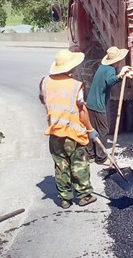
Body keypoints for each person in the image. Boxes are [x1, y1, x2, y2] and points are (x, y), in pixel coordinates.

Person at [39, 49, 98, 209]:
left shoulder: (45, 82)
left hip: (55, 132)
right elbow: (82, 111)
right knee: (79, 163)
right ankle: (84, 196)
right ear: (70, 67)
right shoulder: (75, 86)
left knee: (61, 165)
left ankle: (65, 199)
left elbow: (44, 101)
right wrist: (90, 129)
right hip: (72, 133)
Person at [85, 46, 133, 164]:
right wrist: (120, 75)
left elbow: (110, 77)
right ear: (117, 60)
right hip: (98, 105)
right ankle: (101, 157)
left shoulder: (102, 68)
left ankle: (90, 154)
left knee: (92, 129)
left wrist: (125, 74)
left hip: (90, 103)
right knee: (103, 130)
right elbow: (110, 80)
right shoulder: (110, 70)